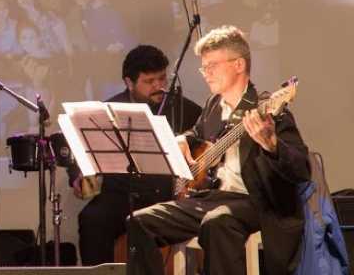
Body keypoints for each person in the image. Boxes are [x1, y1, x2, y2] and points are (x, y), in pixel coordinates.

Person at [127, 26, 309, 275]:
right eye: (204, 67)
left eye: (212, 65)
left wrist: (271, 144)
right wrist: (183, 139)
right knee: (140, 221)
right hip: (212, 198)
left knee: (218, 223)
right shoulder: (214, 104)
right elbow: (198, 133)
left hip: (256, 202)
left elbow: (301, 169)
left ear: (238, 65)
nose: (206, 73)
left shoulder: (268, 108)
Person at [67, 45, 202, 265]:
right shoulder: (108, 109)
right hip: (119, 194)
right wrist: (78, 174)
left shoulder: (185, 110)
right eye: (149, 82)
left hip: (164, 195)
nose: (159, 86)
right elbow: (79, 146)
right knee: (92, 219)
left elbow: (201, 139)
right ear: (129, 83)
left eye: (162, 79)